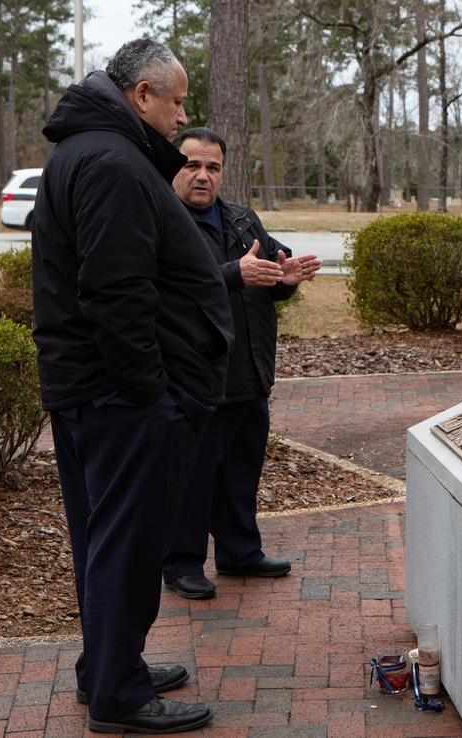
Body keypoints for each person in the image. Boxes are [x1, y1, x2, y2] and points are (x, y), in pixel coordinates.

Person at [31, 41, 233, 734]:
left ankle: (106, 667)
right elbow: (114, 292)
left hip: (93, 391)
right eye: (176, 101)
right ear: (142, 95)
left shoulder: (86, 153)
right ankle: (117, 692)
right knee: (126, 543)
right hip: (120, 399)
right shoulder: (112, 163)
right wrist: (150, 392)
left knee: (103, 537)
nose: (182, 117)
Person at [163, 127, 321, 600]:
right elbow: (172, 288)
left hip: (249, 372)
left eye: (212, 167)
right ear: (173, 166)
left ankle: (239, 553)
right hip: (196, 377)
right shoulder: (164, 222)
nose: (202, 175)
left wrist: (285, 278)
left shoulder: (240, 220)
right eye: (191, 164)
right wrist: (236, 273)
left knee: (240, 471)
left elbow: (266, 274)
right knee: (192, 478)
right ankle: (182, 563)